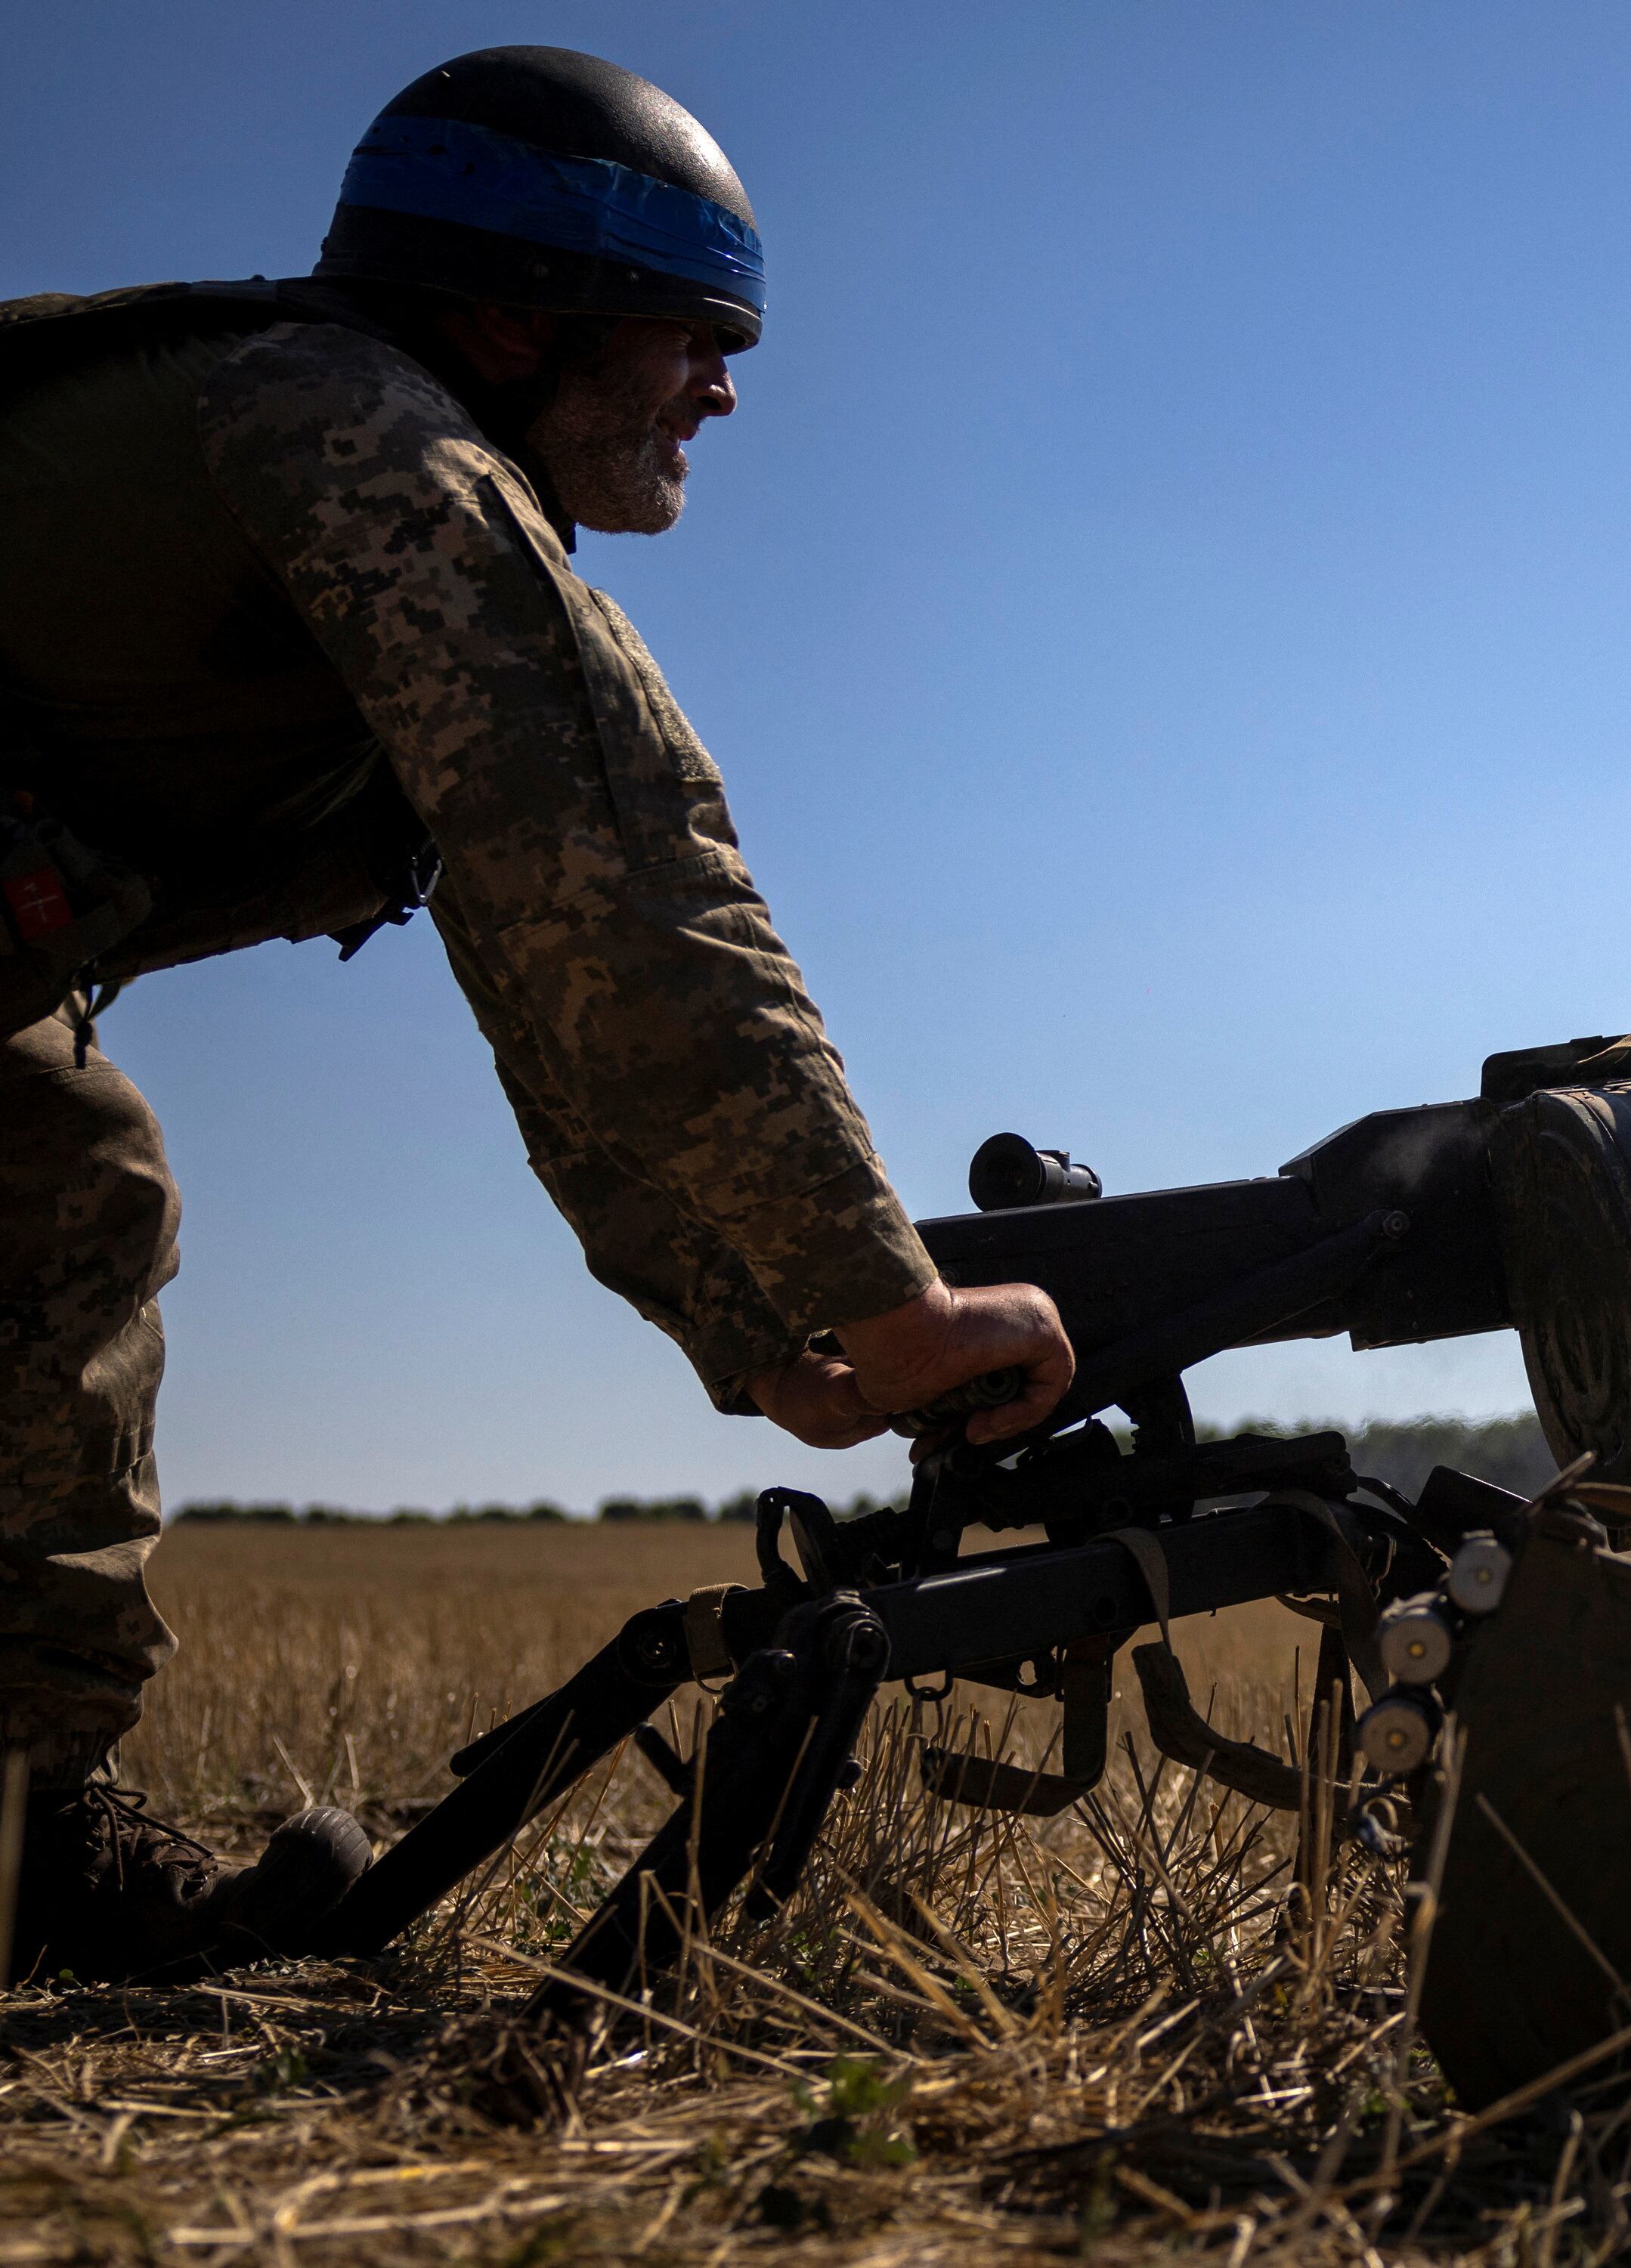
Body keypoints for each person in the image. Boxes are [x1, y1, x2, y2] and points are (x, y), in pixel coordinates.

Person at [0, 47, 1074, 1982]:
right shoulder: (365, 441)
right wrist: (885, 1292)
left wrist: (756, 1327)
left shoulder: (360, 489)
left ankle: (11, 1838)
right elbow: (637, 881)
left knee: (69, 1172)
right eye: (688, 337)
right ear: (514, 317)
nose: (724, 391)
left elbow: (547, 961)